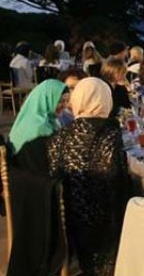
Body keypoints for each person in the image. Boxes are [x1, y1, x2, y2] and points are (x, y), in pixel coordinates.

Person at [48, 77, 131, 276]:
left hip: (69, 222)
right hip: (103, 226)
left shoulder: (60, 135)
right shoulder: (109, 132)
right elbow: (120, 182)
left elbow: (54, 176)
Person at [8, 79, 69, 174]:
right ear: (47, 99)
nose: (65, 106)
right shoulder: (40, 128)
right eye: (60, 101)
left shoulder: (31, 118)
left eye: (66, 101)